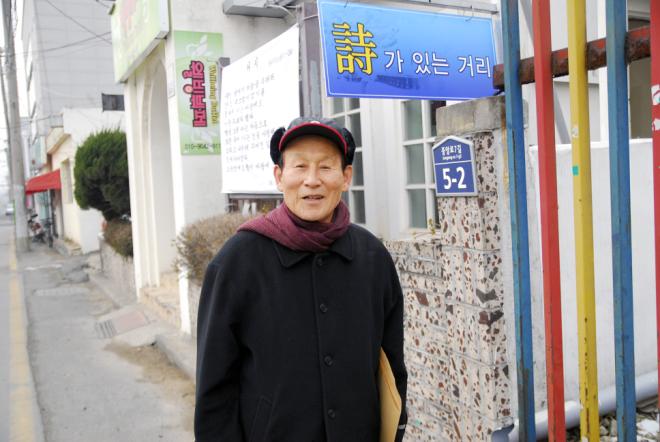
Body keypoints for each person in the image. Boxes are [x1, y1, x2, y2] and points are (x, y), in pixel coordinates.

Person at [194, 117, 408, 442]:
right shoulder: (238, 262)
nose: (312, 180)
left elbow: (392, 369)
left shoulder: (372, 257)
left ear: (346, 177)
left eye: (325, 167)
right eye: (299, 166)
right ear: (279, 176)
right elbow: (214, 388)